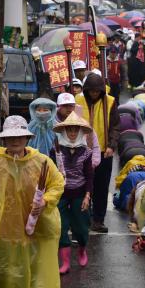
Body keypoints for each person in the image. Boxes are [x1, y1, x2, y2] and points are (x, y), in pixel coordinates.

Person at [0, 115, 65, 288]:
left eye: (20, 136)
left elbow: (57, 184)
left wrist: (45, 201)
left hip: (36, 232)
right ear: (4, 139)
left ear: (27, 138)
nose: (15, 140)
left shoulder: (42, 162)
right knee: (6, 278)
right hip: (5, 234)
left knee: (36, 279)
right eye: (11, 136)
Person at [76, 72, 120, 233]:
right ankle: (84, 217)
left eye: (97, 91)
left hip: (103, 152)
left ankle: (99, 220)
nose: (94, 94)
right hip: (81, 152)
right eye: (91, 91)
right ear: (86, 90)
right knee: (83, 186)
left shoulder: (110, 101)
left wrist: (111, 145)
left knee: (101, 187)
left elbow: (115, 126)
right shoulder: (77, 101)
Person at [50, 111, 94, 274]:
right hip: (60, 193)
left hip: (79, 193)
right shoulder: (56, 149)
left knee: (81, 228)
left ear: (80, 131)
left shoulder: (86, 152)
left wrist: (87, 196)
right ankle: (66, 262)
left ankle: (82, 249)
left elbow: (89, 176)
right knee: (60, 227)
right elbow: (49, 170)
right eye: (70, 130)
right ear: (65, 131)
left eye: (76, 130)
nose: (73, 133)